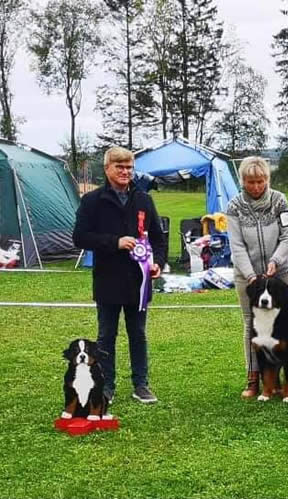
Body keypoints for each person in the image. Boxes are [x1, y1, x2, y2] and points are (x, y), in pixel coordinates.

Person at [73, 146, 166, 404]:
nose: (125, 172)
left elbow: (158, 238)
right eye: (120, 167)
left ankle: (141, 384)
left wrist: (157, 262)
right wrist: (115, 242)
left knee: (138, 334)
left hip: (138, 283)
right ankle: (106, 385)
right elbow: (79, 237)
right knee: (106, 335)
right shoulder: (92, 201)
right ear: (107, 169)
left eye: (129, 167)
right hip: (107, 279)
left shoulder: (144, 200)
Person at [226, 156, 288, 399]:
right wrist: (250, 276)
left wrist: (275, 261)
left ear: (267, 179)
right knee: (251, 323)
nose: (256, 186)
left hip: (280, 272)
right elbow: (236, 245)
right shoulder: (234, 205)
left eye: (261, 181)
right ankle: (254, 377)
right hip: (248, 275)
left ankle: (286, 374)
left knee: (284, 322)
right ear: (242, 181)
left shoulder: (280, 201)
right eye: (250, 181)